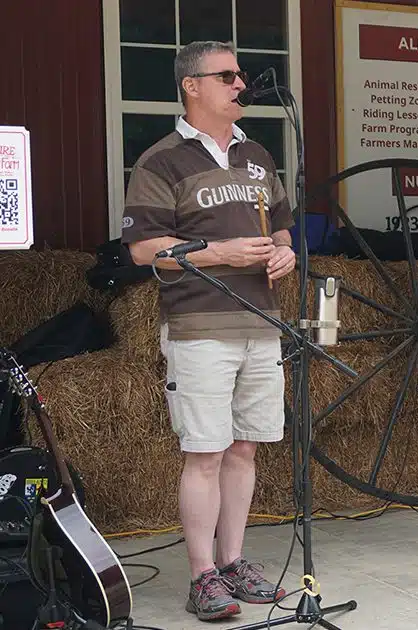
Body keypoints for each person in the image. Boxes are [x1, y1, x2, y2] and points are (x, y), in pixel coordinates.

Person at [122, 41, 293, 621]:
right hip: (199, 326)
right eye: (226, 76)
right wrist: (217, 251)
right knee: (205, 452)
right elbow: (144, 248)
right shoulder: (161, 161)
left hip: (261, 322)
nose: (240, 84)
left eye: (239, 76)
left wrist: (285, 255)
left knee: (245, 447)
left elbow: (284, 230)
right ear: (191, 86)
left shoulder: (259, 156)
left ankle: (235, 559)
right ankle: (202, 575)